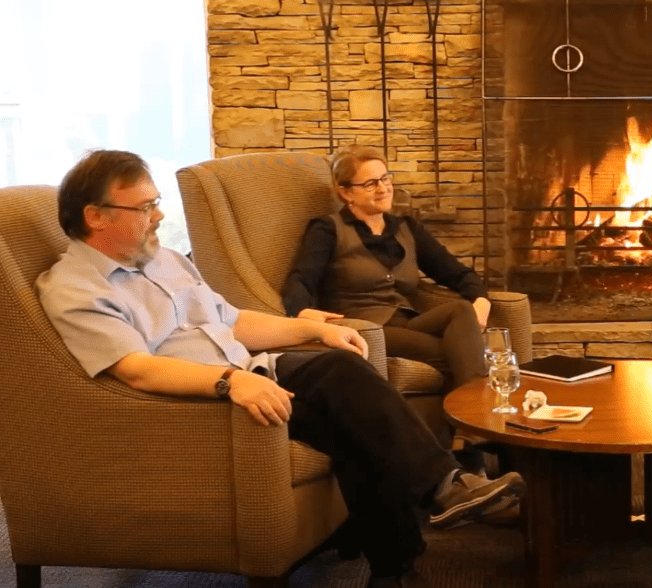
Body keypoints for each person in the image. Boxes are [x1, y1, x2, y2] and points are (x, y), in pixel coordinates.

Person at [37, 150, 524, 588]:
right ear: (95, 216)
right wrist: (229, 382)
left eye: (156, 202)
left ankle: (413, 538)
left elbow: (233, 319)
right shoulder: (76, 289)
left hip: (251, 369)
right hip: (201, 399)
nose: (159, 216)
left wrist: (314, 332)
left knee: (342, 372)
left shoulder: (163, 261)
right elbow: (136, 370)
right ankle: (434, 506)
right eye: (144, 208)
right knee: (345, 406)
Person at [282, 145, 489, 390]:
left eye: (384, 178)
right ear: (346, 193)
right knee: (458, 354)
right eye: (370, 184)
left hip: (409, 322)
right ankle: (479, 419)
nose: (383, 188)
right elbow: (300, 278)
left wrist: (481, 299)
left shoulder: (406, 228)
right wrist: (301, 313)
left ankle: (468, 423)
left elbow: (456, 272)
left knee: (462, 310)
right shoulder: (327, 229)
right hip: (366, 327)